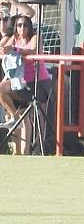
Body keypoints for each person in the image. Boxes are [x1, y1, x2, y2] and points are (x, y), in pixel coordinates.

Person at [0, 14, 51, 154]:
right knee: (21, 113)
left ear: (30, 26)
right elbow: (3, 47)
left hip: (38, 82)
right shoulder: (14, 38)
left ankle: (35, 148)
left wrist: (15, 50)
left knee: (39, 116)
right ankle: (21, 149)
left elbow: (33, 50)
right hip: (19, 82)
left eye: (25, 25)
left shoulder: (36, 37)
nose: (22, 28)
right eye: (19, 25)